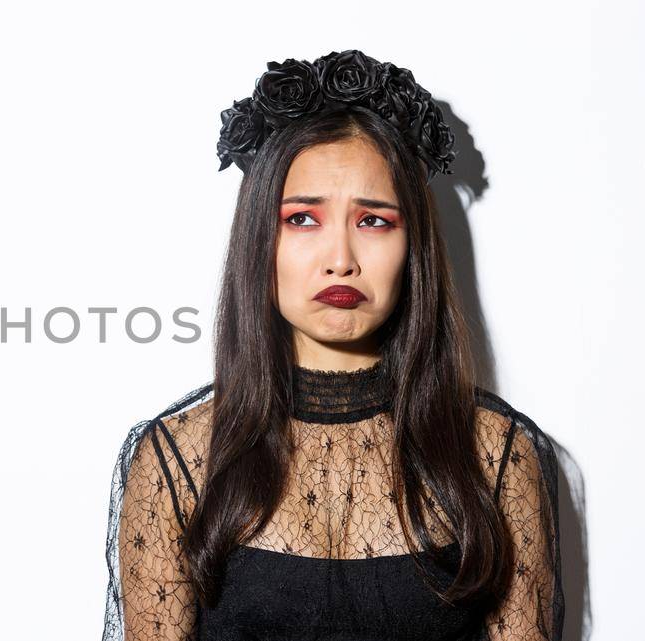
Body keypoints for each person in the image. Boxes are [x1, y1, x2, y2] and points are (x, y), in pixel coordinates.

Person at [101, 50, 566, 641]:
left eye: (373, 221)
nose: (341, 260)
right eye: (302, 219)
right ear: (259, 239)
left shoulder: (495, 457)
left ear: (413, 245)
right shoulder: (180, 462)